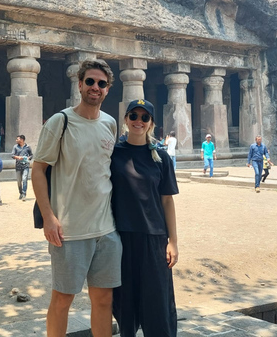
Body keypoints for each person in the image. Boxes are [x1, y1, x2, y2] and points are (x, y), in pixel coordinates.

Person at [31, 59, 121, 337]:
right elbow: (38, 169)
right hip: (69, 230)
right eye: (90, 82)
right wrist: (49, 217)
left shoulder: (110, 123)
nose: (95, 87)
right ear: (80, 84)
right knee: (62, 300)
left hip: (106, 230)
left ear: (107, 90)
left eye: (101, 83)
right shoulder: (62, 121)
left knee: (104, 300)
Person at [110, 100, 179, 336]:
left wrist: (173, 242)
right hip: (121, 237)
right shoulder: (113, 154)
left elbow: (167, 201)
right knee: (124, 304)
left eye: (144, 117)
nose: (138, 121)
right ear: (126, 119)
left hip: (154, 237)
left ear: (151, 123)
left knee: (158, 303)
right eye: (134, 115)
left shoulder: (161, 158)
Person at [12, 134, 33, 201]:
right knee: (19, 181)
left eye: (17, 139)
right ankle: (20, 192)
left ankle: (24, 194)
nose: (16, 140)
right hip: (18, 166)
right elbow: (12, 155)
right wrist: (18, 157)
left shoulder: (28, 147)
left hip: (26, 165)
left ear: (22, 140)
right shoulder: (15, 147)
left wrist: (28, 158)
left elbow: (31, 155)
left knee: (24, 179)